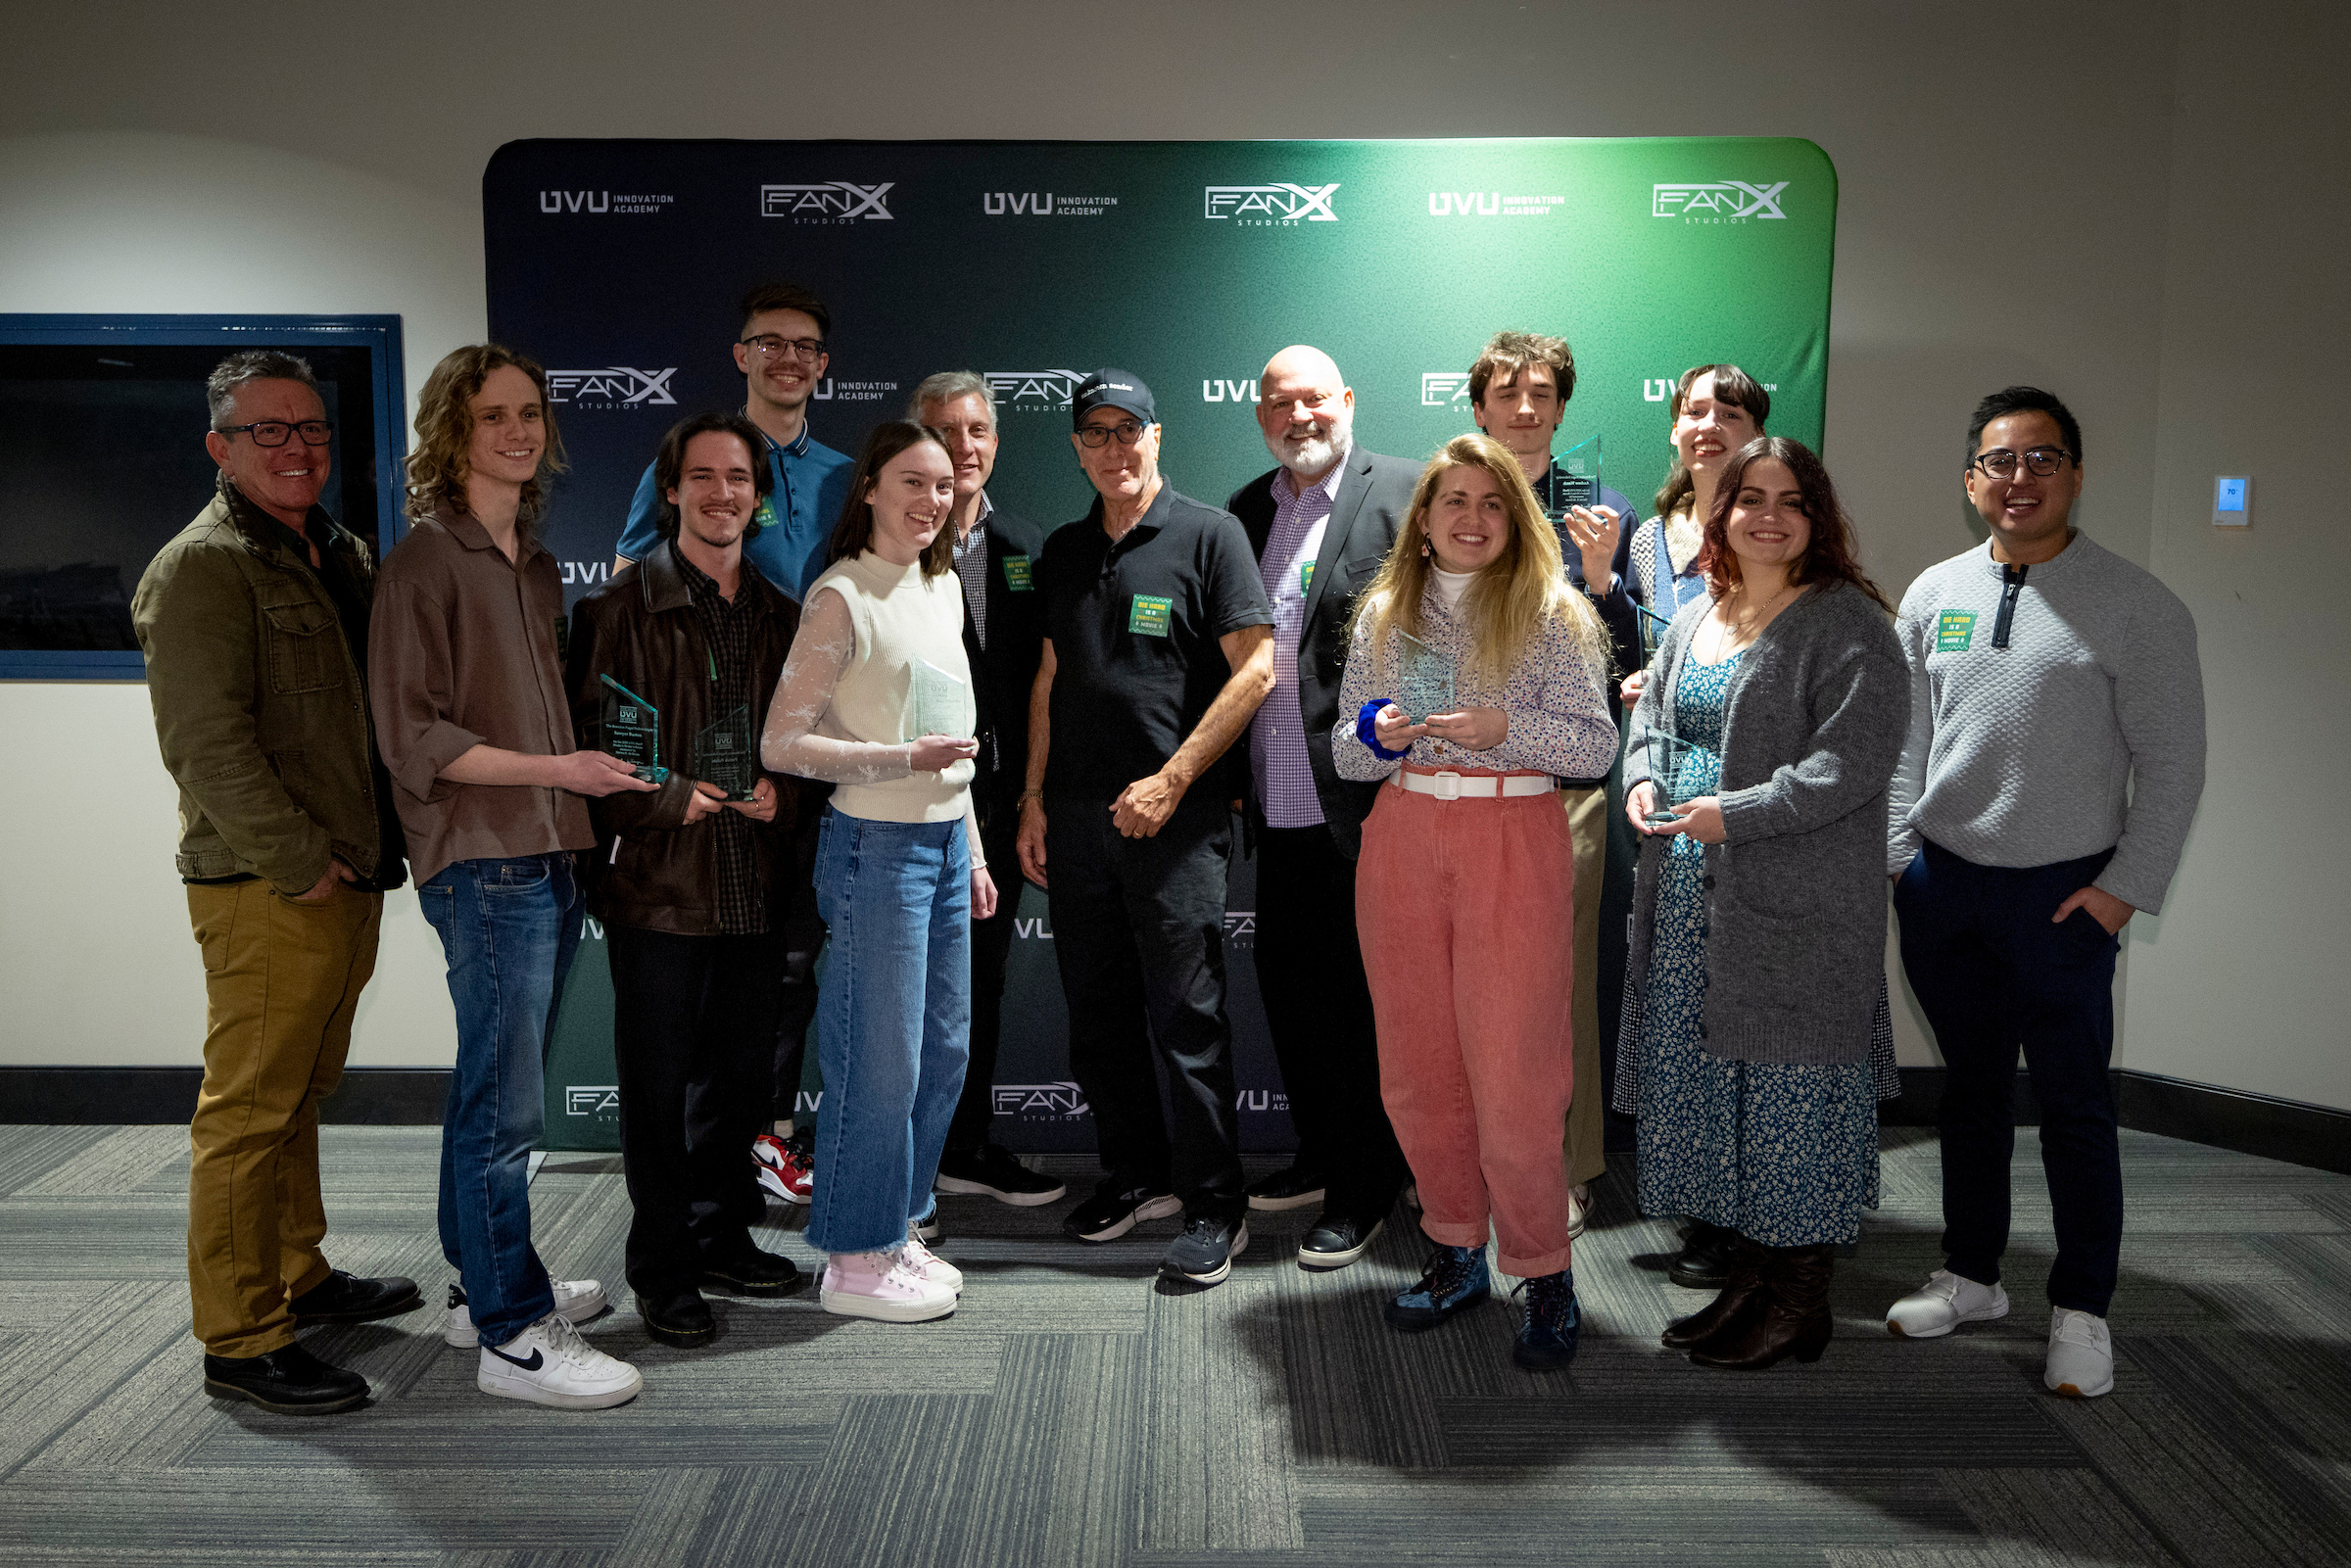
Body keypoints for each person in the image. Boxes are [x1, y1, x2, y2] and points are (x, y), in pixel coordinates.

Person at [1884, 387, 2206, 1401]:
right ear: (1971, 478)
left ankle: (2082, 1306)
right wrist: (1904, 860)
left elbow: (2175, 761)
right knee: (1973, 1092)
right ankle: (1974, 1275)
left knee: (2073, 1106)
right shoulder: (1935, 590)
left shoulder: (2138, 602)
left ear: (2074, 473)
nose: (2018, 478)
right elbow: (1904, 744)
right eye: (1999, 461)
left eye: (2041, 459)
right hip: (1947, 890)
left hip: (2070, 895)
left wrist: (2124, 892)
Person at [131, 351, 419, 1415]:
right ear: (220, 444)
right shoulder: (202, 566)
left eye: (310, 429)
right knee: (248, 1112)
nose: (297, 448)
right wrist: (301, 864)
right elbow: (207, 746)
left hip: (346, 874)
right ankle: (242, 1337)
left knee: (302, 1088)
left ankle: (297, 1275)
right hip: (269, 884)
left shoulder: (334, 551)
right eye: (269, 431)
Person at [371, 345, 649, 1409]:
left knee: (495, 1090)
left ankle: (472, 1286)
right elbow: (415, 737)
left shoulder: (532, 560)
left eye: (531, 412)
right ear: (454, 431)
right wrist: (559, 769)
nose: (520, 431)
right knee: (506, 1109)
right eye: (496, 416)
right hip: (484, 863)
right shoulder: (424, 563)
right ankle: (511, 1331)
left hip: (547, 851)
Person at [1616, 435, 1909, 1373]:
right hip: (1691, 901)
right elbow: (1652, 720)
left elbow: (1845, 768)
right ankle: (1748, 1279)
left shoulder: (1851, 624)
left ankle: (1800, 1300)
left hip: (1799, 907)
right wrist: (1642, 780)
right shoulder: (1699, 612)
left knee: (1791, 1099)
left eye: (1792, 500)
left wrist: (1730, 815)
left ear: (1818, 517)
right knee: (1720, 1099)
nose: (1769, 515)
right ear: (1722, 511)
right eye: (1750, 498)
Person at [1334, 431, 1615, 1369]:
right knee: (1418, 1068)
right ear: (1423, 522)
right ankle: (1456, 1249)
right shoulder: (1385, 612)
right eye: (1454, 501)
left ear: (1517, 519)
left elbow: (1594, 749)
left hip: (1512, 841)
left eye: (1493, 503)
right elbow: (1342, 748)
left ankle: (1543, 1270)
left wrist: (1504, 729)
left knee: (1517, 1077)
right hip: (1406, 838)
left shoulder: (1555, 613)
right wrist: (1374, 731)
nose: (1472, 519)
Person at [1015, 369, 1275, 1288]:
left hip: (1176, 818)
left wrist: (1171, 779)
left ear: (1158, 437)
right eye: (1097, 434)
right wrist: (1034, 799)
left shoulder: (1212, 535)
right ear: (1078, 447)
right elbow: (1049, 678)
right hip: (1079, 822)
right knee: (1099, 1017)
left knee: (1189, 1018)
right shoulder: (1062, 547)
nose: (1115, 449)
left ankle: (1214, 1204)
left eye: (1132, 430)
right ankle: (1136, 1176)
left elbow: (1258, 671)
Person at [566, 412, 806, 1348]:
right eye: (701, 477)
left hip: (755, 887)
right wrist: (671, 797)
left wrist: (784, 798)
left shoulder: (787, 615)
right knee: (658, 1093)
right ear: (671, 492)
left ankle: (720, 1235)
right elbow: (593, 752)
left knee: (740, 1085)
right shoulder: (614, 612)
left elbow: (807, 751)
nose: (721, 493)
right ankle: (663, 1268)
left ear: (759, 494)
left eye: (738, 478)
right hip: (661, 888)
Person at [608, 281, 853, 1186]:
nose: (787, 358)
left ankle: (759, 1143)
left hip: (804, 755)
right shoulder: (691, 459)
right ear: (741, 354)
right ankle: (699, 1193)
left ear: (823, 368)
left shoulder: (843, 473)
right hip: (698, 745)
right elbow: (637, 590)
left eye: (805, 346)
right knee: (685, 1001)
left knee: (779, 965)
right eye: (769, 342)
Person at [760, 420, 994, 1322]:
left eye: (943, 486)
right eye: (912, 481)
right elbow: (784, 741)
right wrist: (901, 761)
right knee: (878, 1064)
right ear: (868, 488)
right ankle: (854, 1257)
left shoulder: (939, 588)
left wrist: (969, 847)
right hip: (874, 850)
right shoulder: (841, 595)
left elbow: (954, 741)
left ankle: (896, 1225)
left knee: (942, 1052)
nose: (932, 500)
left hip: (938, 849)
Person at [1223, 344, 1416, 1268]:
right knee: (1296, 1001)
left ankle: (1367, 1183)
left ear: (1346, 398)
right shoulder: (1245, 510)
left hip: (1371, 810)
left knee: (1364, 1007)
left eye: (1312, 400)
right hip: (1277, 813)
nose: (1297, 417)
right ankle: (1322, 1150)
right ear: (1259, 416)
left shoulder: (1410, 493)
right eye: (1277, 405)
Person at [1467, 330, 1641, 1236]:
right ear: (1480, 406)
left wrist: (1606, 580)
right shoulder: (1454, 498)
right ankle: (1466, 1163)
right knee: (1467, 985)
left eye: (1542, 393)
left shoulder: (1604, 509)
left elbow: (1634, 660)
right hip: (1454, 786)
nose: (1526, 408)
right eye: (1507, 392)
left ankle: (1563, 1169)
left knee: (1560, 984)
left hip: (1564, 783)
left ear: (1563, 407)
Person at [1621, 363, 1769, 1291]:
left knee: (1768, 1011)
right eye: (1692, 409)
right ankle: (1711, 1207)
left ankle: (1783, 1208)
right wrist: (1646, 702)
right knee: (1690, 1008)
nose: (1707, 423)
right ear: (1673, 428)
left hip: (1769, 801)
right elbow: (1652, 657)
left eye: (1729, 409)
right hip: (1678, 790)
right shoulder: (1648, 538)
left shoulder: (1783, 523)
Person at [911, 373, 1064, 1211]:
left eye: (976, 430)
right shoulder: (889, 543)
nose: (961, 445)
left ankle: (963, 1146)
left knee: (979, 981)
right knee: (911, 991)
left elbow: (1040, 686)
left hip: (998, 806)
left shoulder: (1027, 545)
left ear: (995, 442)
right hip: (906, 805)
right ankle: (907, 1166)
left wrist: (1027, 798)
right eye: (942, 430)